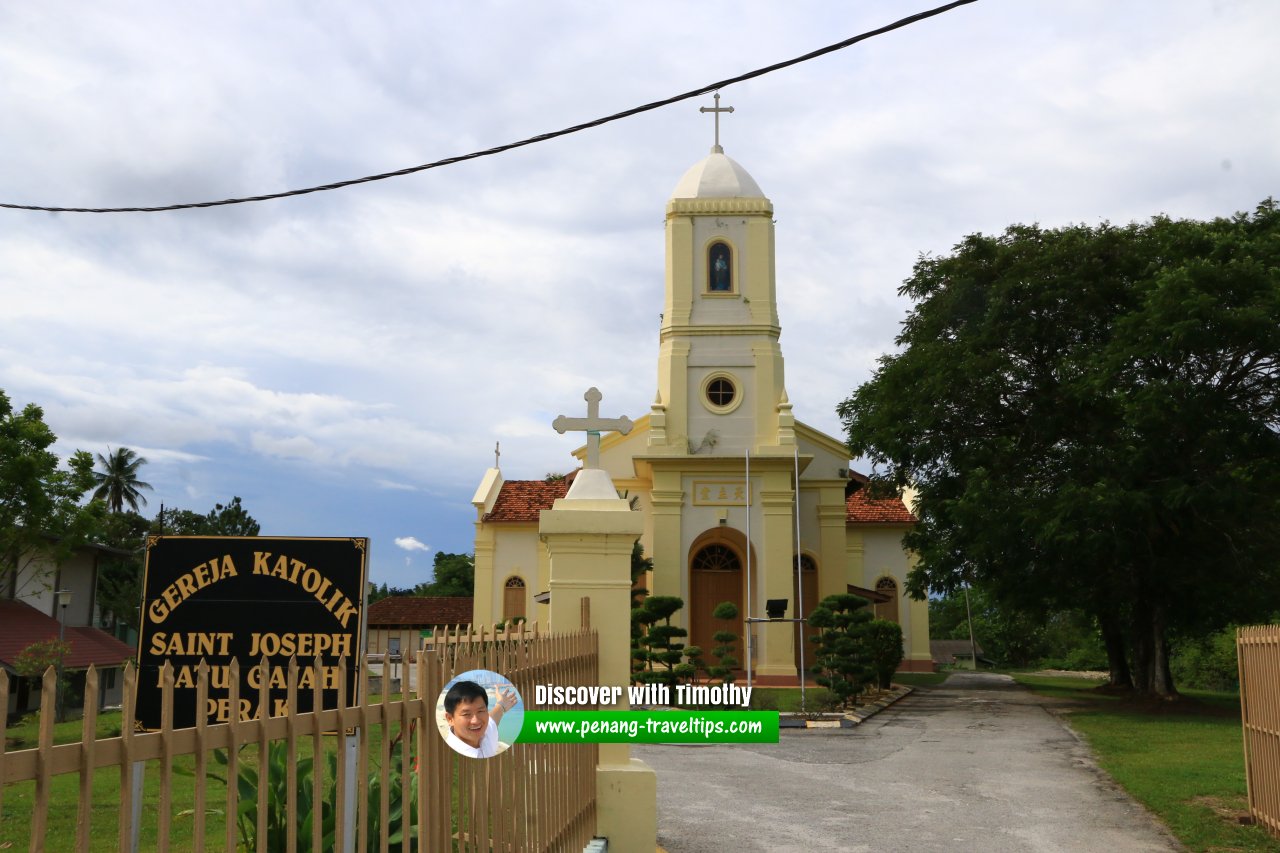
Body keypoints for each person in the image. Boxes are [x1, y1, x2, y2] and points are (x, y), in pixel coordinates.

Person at [442, 679, 517, 758]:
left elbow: (493, 718)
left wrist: (501, 704)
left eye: (480, 711)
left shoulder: (486, 731)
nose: (476, 721)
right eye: (466, 714)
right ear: (450, 719)